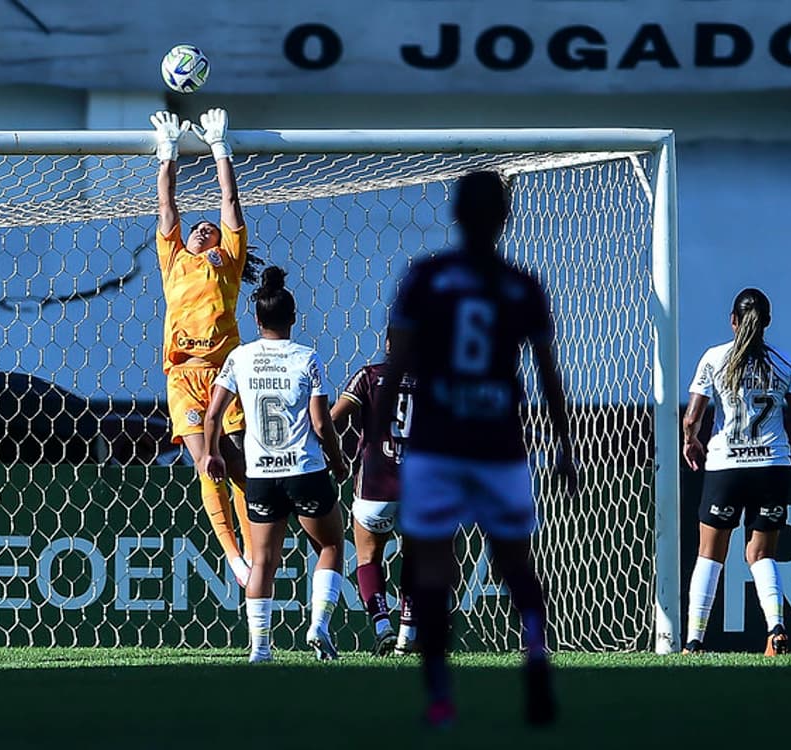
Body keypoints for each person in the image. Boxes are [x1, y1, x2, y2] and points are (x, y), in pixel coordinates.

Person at [379, 170, 578, 727]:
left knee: (433, 567)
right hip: (500, 445)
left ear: (456, 214)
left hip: (437, 443)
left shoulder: (426, 277)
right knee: (516, 562)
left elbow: (397, 365)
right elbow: (547, 374)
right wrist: (563, 444)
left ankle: (440, 698)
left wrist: (375, 439)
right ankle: (536, 654)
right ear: (505, 218)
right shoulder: (522, 284)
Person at [199, 266, 350, 663]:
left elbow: (213, 415)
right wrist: (337, 461)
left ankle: (260, 649)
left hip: (260, 475)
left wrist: (213, 452)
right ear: (294, 318)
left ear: (257, 319)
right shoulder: (307, 358)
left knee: (263, 560)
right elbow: (321, 422)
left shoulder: (239, 357)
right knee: (332, 544)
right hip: (304, 469)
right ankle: (319, 624)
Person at [151, 107, 265, 587]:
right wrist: (168, 154)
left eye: (211, 229)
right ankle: (235, 558)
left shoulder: (228, 263)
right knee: (205, 461)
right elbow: (167, 206)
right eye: (199, 229)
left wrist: (221, 148)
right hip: (183, 377)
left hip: (224, 377)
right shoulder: (173, 258)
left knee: (238, 466)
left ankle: (256, 551)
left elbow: (230, 199)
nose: (204, 229)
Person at [681, 288, 791, 657]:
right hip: (772, 467)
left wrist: (691, 441)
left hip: (727, 467)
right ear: (767, 322)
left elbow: (692, 417)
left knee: (710, 554)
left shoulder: (714, 359)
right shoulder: (786, 363)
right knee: (762, 555)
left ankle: (694, 642)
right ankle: (776, 629)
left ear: (733, 321)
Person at [329, 335, 417, 656]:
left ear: (389, 343)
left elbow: (334, 417)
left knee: (368, 558)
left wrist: (331, 453)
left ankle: (383, 626)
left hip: (375, 488)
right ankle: (408, 634)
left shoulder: (369, 375)